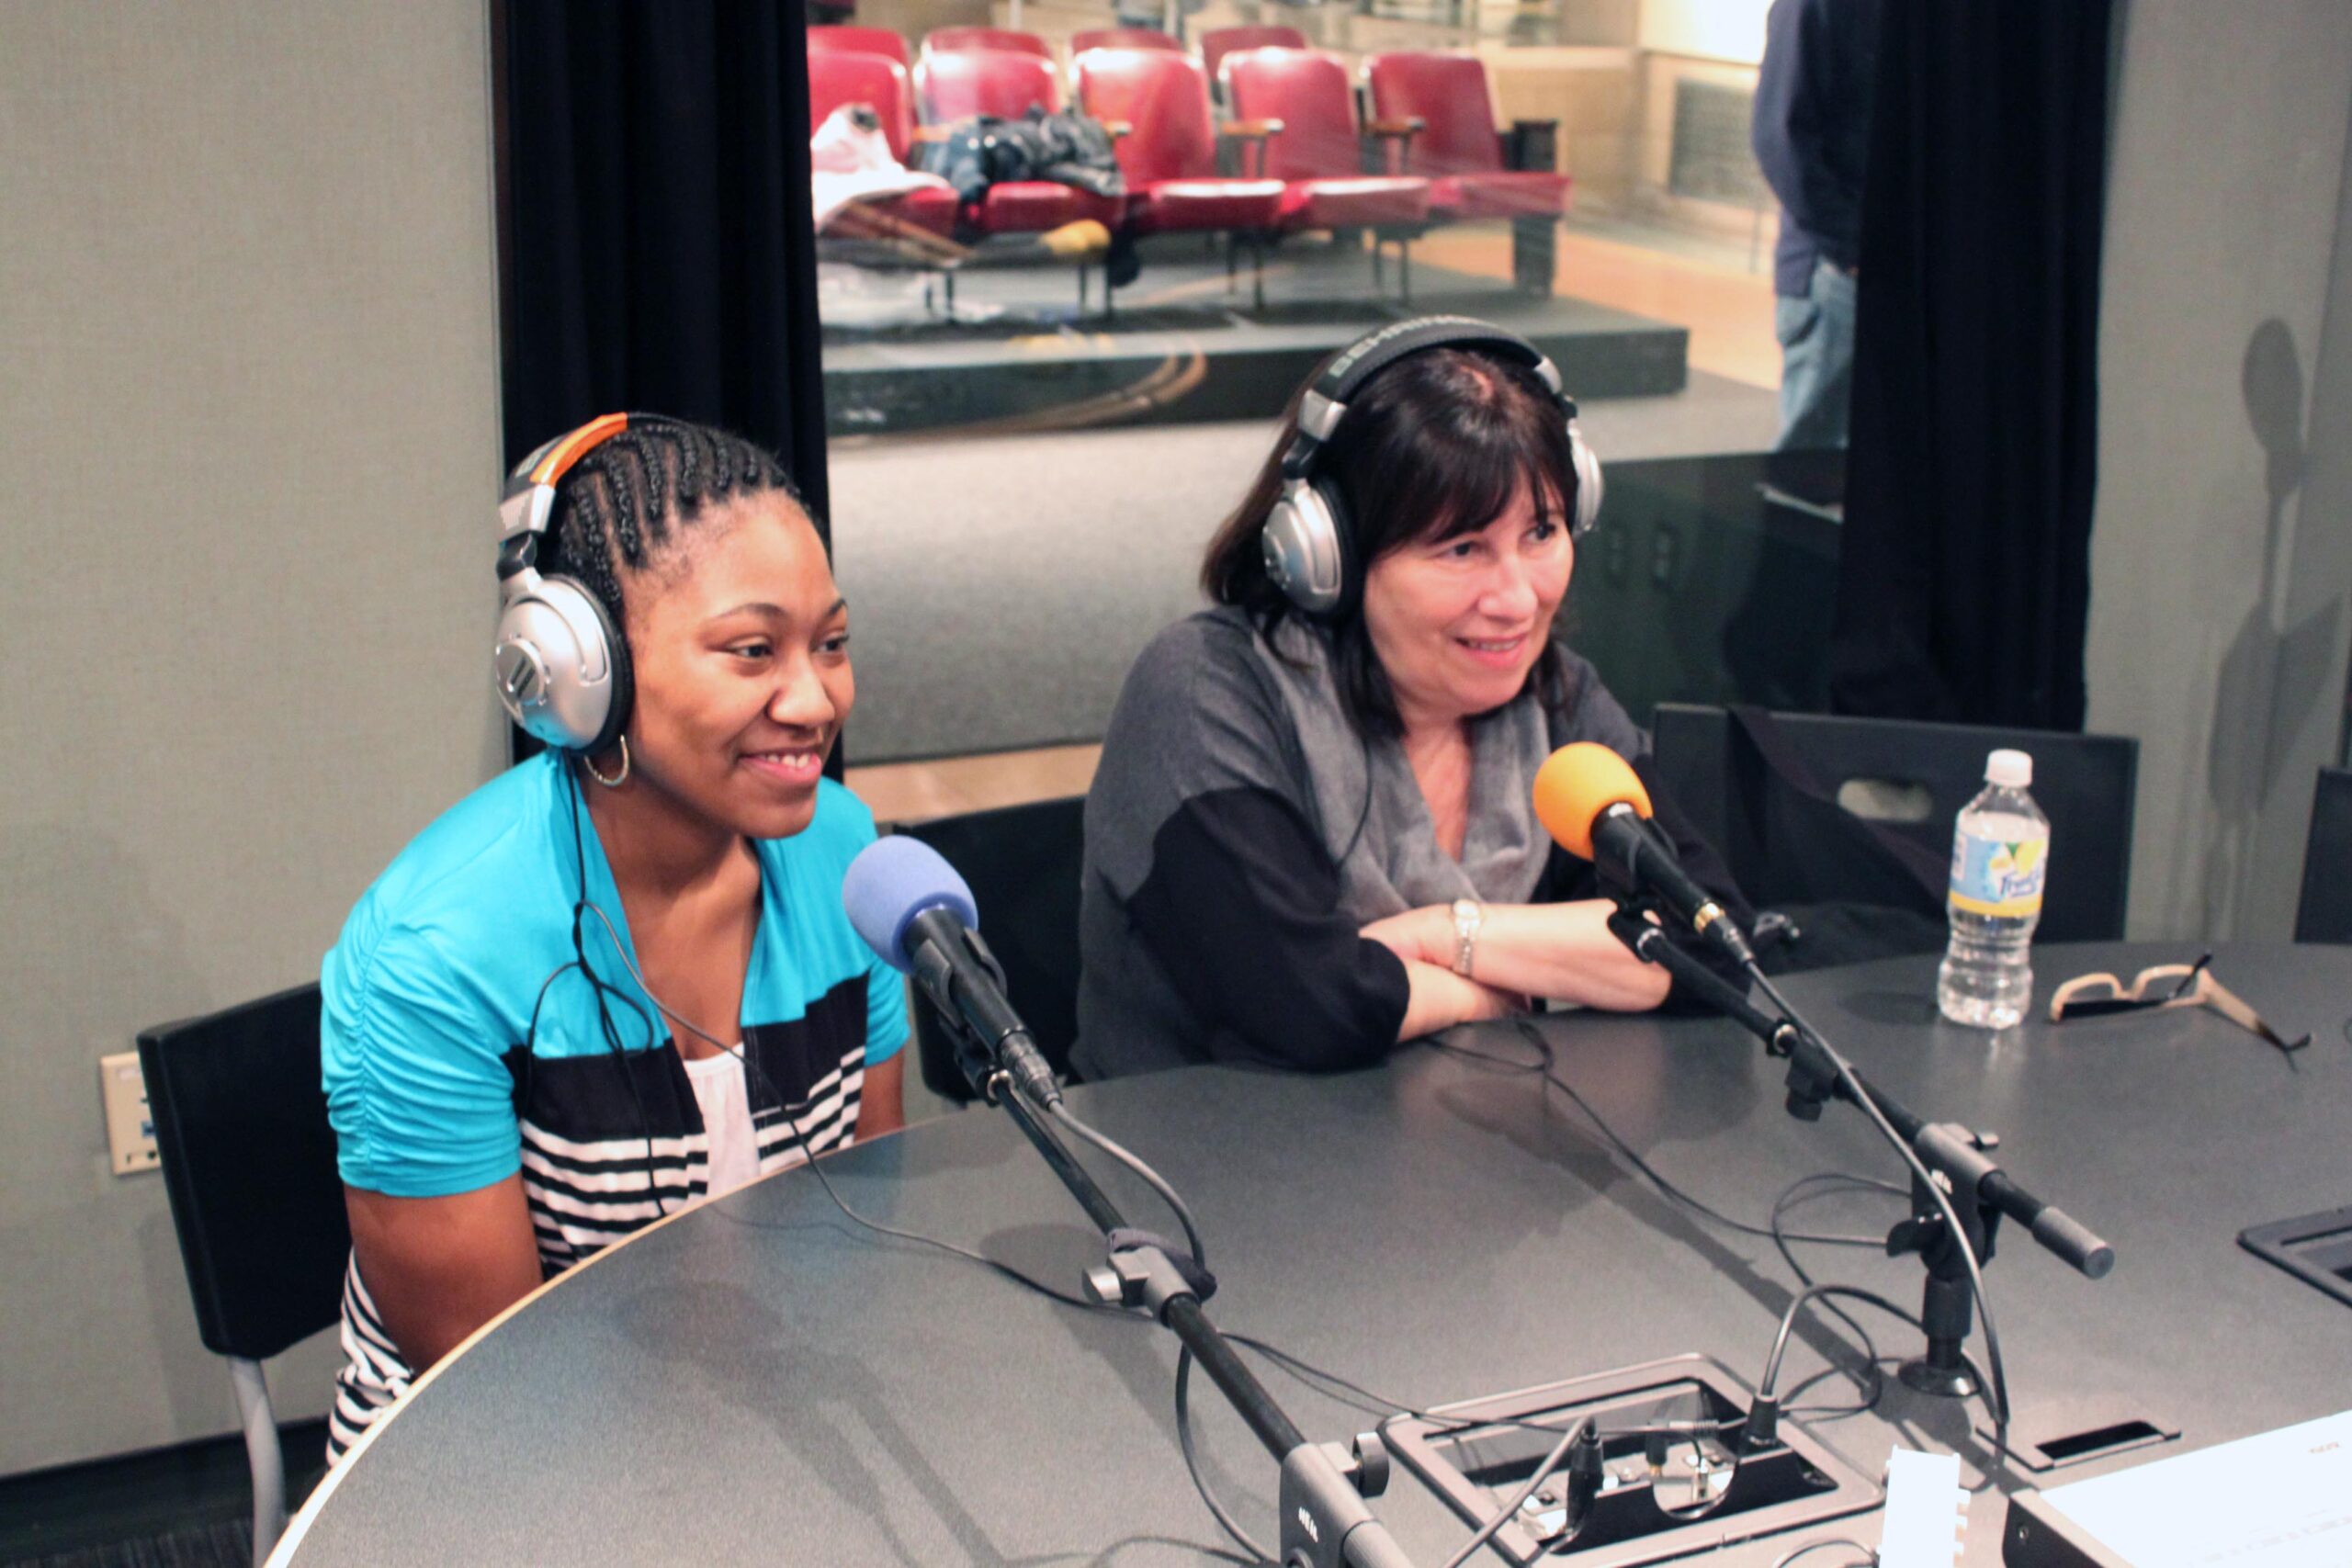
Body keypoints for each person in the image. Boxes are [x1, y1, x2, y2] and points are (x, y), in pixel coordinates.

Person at [319, 414, 906, 1461]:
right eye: (752, 651)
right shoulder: (431, 959)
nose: (817, 700)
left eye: (832, 644)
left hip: (782, 1424)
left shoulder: (849, 861)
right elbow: (496, 1387)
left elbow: (861, 1234)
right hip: (493, 1471)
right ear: (579, 668)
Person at [1072, 319, 1748, 1081]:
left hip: (1468, 1149)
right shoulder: (1206, 692)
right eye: (1463, 549)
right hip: (1209, 1165)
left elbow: (1709, 943)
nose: (1518, 598)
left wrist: (1449, 935)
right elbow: (1305, 1003)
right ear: (1329, 554)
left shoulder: (1556, 699)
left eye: (1542, 532)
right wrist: (1521, 978)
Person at [1751, 0, 1884, 451]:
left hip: (1884, 269)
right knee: (1812, 474)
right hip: (1836, 275)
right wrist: (1852, 253)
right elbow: (1781, 138)